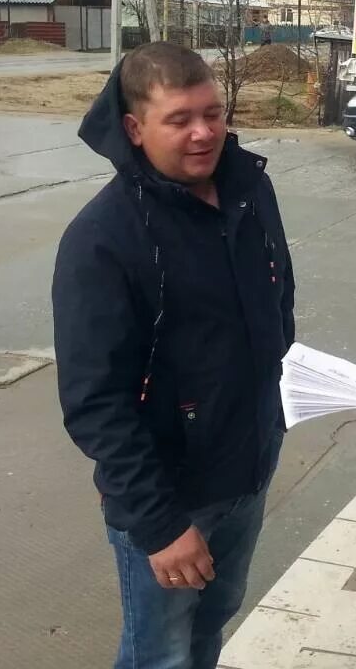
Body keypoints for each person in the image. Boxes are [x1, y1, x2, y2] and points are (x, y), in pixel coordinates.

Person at [52, 41, 295, 669]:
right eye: (179, 119)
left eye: (212, 113)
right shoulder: (102, 240)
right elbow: (95, 404)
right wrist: (159, 526)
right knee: (158, 653)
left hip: (247, 466)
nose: (202, 132)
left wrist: (279, 409)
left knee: (211, 625)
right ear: (134, 129)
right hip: (171, 494)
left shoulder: (248, 190)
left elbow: (277, 300)